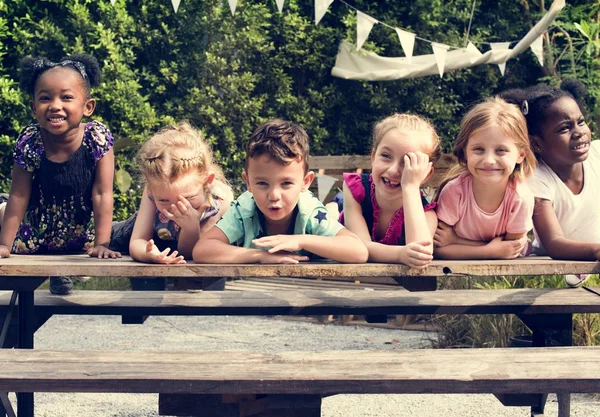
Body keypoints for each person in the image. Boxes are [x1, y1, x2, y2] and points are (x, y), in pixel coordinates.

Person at [0, 54, 119, 295]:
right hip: (34, 234)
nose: (55, 105)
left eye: (66, 97)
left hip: (80, 237)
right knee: (5, 205)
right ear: (34, 108)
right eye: (45, 98)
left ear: (88, 107)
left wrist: (101, 244)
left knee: (128, 231)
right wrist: (4, 244)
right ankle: (51, 273)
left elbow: (102, 193)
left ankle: (61, 272)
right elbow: (20, 195)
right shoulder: (30, 141)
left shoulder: (97, 138)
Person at [193, 119, 368, 264]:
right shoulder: (244, 209)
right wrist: (260, 256)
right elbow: (203, 249)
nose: (274, 195)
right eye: (262, 183)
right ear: (248, 183)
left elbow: (358, 251)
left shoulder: (309, 211)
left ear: (305, 182)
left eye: (286, 183)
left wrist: (300, 240)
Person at [501, 79, 599, 287]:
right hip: (556, 265)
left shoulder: (597, 155)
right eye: (564, 128)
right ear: (536, 143)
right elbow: (554, 243)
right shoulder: (537, 179)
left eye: (580, 122)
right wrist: (595, 249)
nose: (579, 131)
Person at [110, 122, 233, 266]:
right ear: (150, 189)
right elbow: (137, 240)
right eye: (163, 200)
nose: (175, 208)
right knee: (100, 236)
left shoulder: (219, 201)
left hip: (174, 247)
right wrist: (147, 253)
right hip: (129, 236)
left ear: (207, 182)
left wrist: (191, 227)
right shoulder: (155, 185)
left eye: (188, 198)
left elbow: (189, 253)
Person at [329, 114, 440, 269]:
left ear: (425, 173)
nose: (393, 170)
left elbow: (421, 254)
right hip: (342, 216)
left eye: (407, 163)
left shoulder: (426, 214)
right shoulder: (355, 189)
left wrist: (410, 186)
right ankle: (333, 206)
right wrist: (400, 254)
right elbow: (360, 247)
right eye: (386, 156)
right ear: (373, 157)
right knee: (330, 213)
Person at [434, 97, 536, 260]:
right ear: (465, 151)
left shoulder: (520, 197)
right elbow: (437, 248)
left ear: (521, 154)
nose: (489, 160)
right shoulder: (455, 191)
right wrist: (490, 250)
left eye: (501, 150)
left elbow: (510, 249)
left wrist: (456, 240)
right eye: (479, 149)